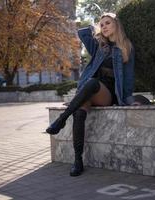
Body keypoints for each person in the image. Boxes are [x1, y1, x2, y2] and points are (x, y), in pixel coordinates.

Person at [46, 12, 135, 176]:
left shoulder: (125, 47)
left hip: (108, 93)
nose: (104, 27)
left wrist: (129, 99)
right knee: (79, 113)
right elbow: (83, 34)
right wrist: (94, 28)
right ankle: (77, 161)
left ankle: (62, 119)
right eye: (102, 25)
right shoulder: (100, 47)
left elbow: (128, 77)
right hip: (89, 90)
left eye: (108, 23)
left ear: (117, 24)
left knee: (92, 83)